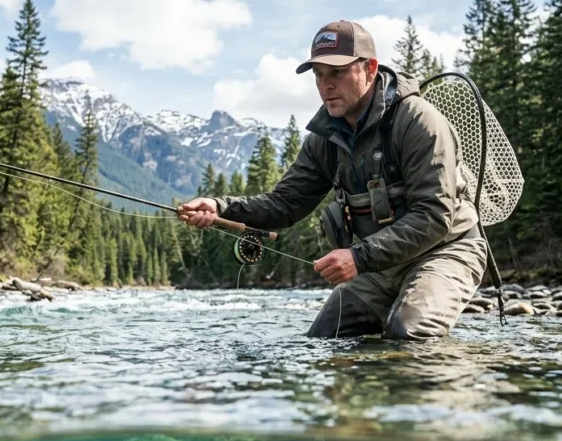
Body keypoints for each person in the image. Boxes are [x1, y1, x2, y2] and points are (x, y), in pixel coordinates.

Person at [179, 20, 488, 341]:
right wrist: (219, 207)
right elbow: (285, 204)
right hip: (381, 264)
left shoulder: (418, 121)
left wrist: (359, 257)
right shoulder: (325, 139)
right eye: (319, 75)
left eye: (337, 72)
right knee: (327, 336)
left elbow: (434, 216)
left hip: (446, 250)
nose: (326, 84)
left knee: (408, 331)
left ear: (369, 68)